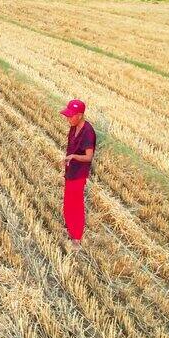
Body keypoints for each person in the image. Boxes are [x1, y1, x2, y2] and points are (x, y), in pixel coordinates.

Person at [60, 99, 96, 251]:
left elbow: (89, 157)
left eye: (71, 116)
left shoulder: (88, 132)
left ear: (80, 115)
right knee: (68, 202)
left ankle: (76, 238)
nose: (68, 119)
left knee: (76, 204)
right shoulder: (74, 127)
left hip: (79, 173)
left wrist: (73, 157)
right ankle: (69, 228)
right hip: (71, 171)